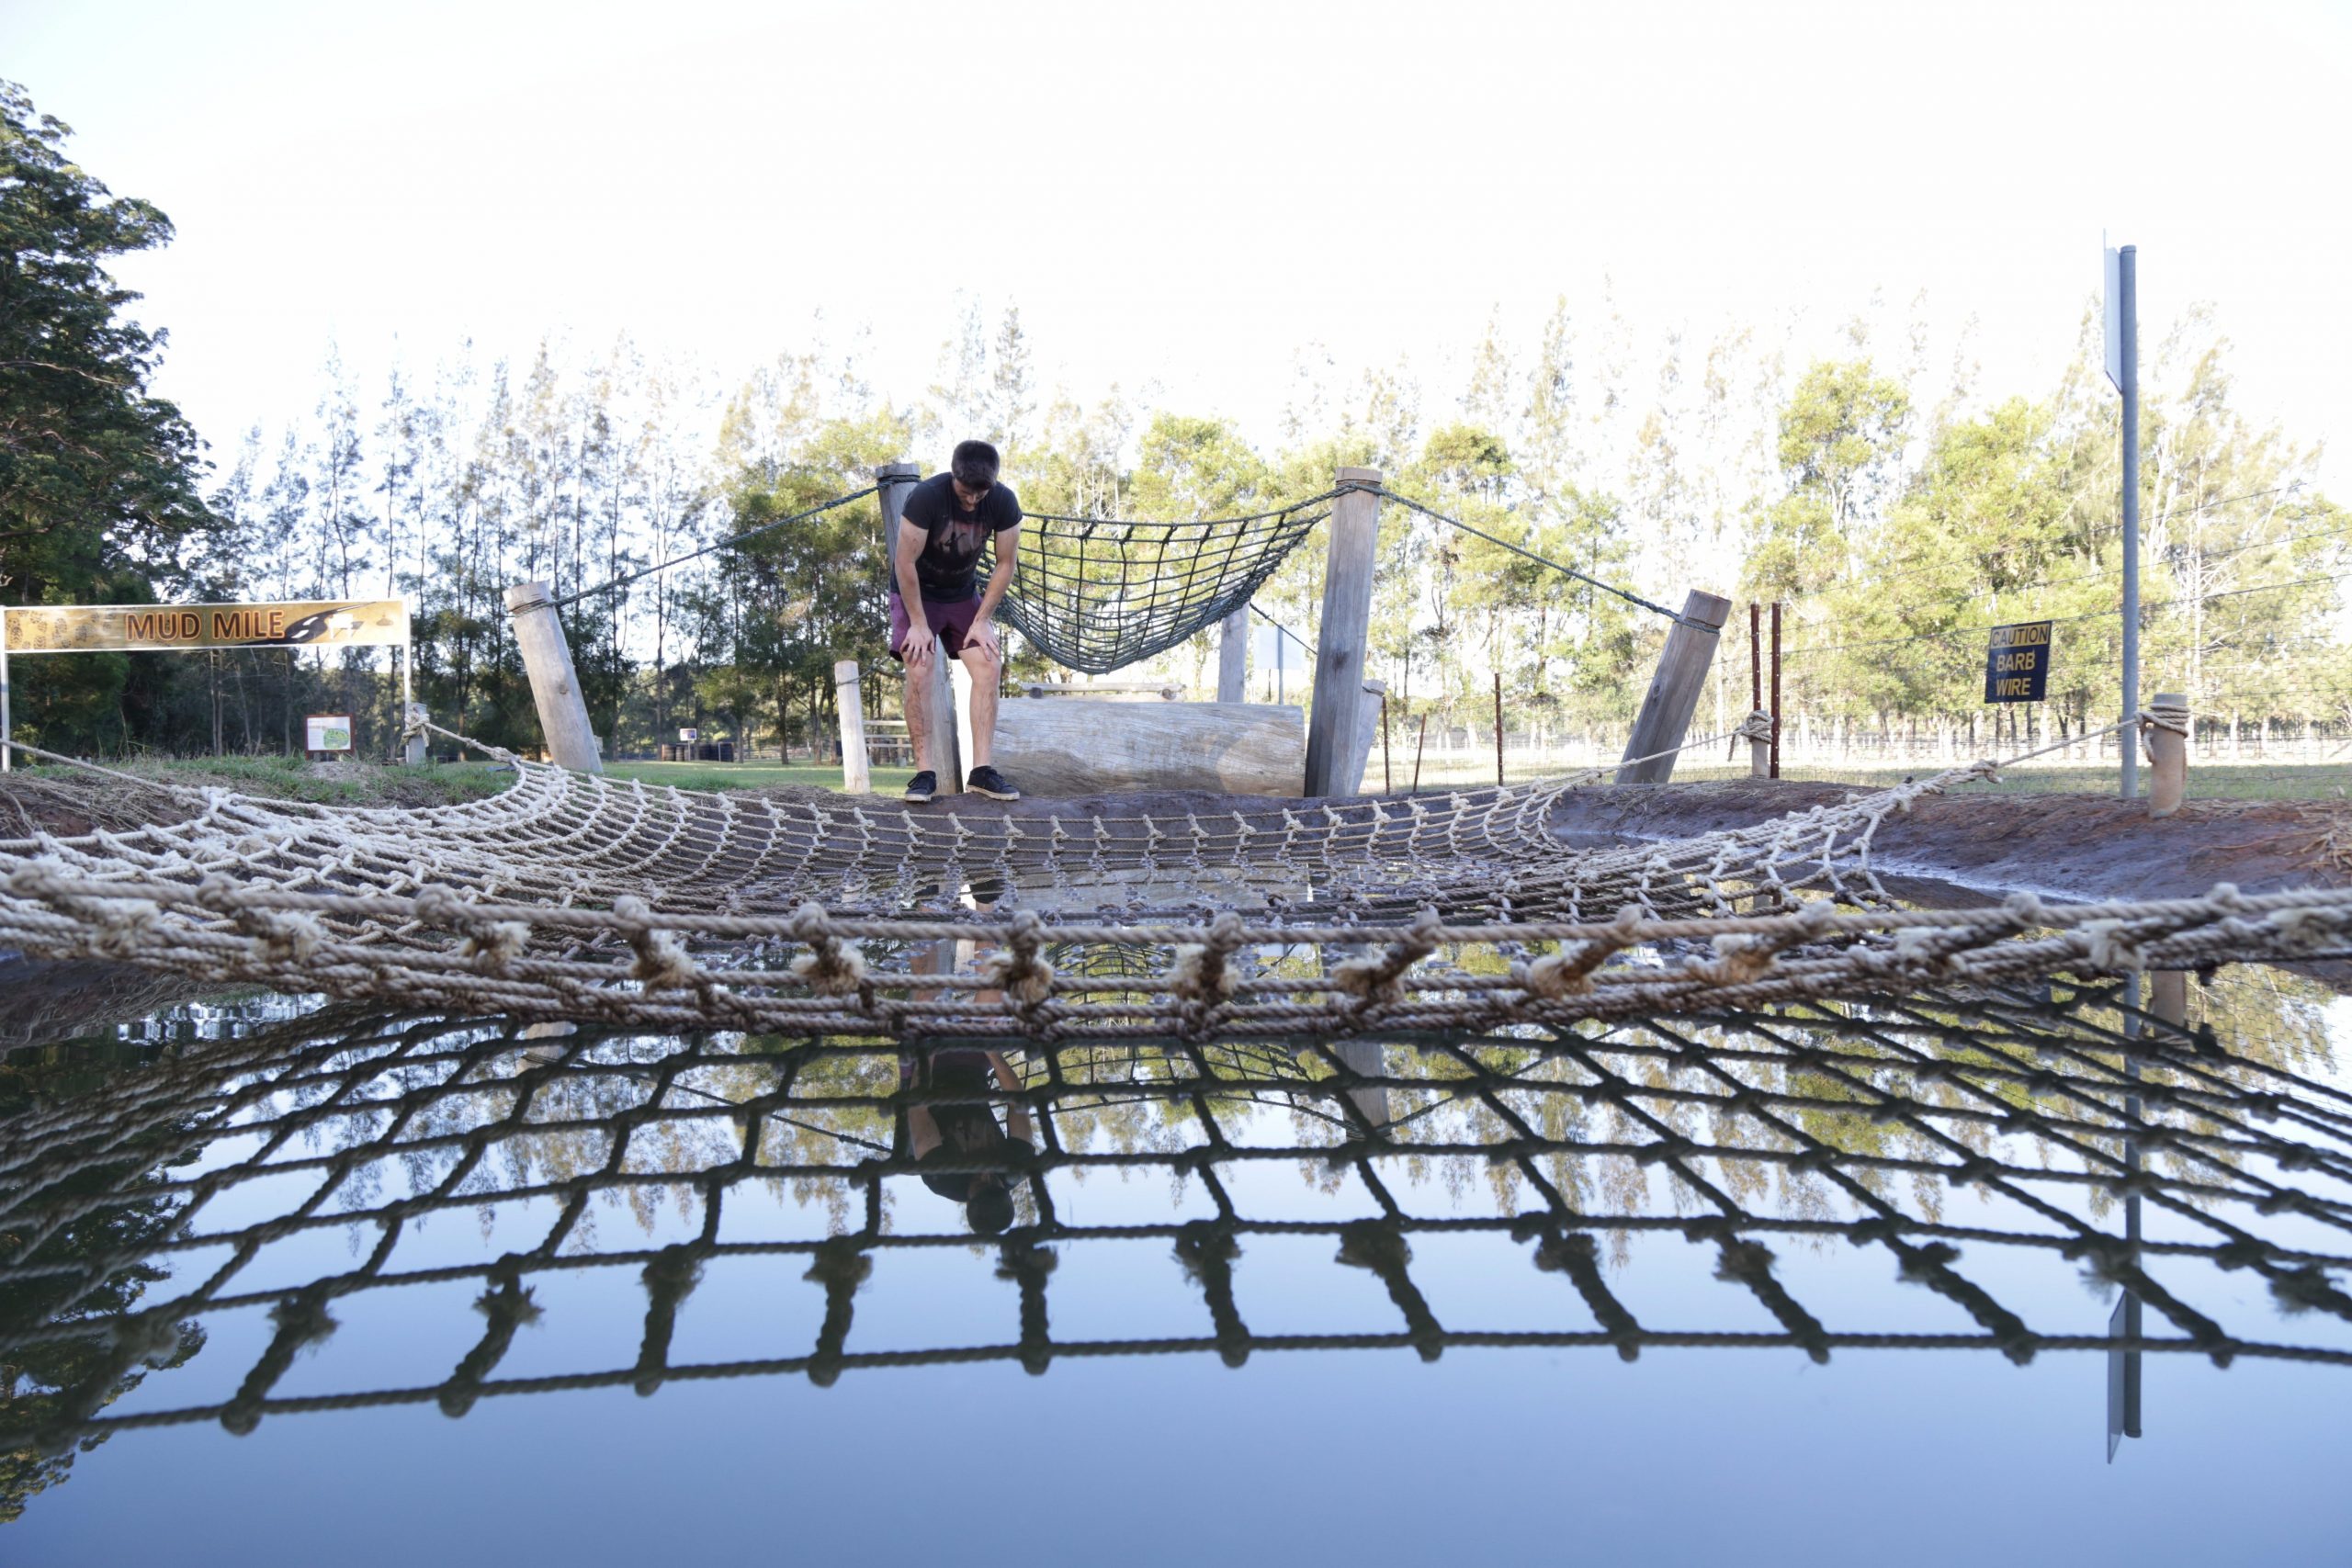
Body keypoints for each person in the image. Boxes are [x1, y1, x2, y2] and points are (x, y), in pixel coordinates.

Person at [892, 439, 1022, 803]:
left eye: (980, 495)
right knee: (920, 667)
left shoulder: (1003, 502)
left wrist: (982, 620)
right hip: (916, 592)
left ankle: (981, 772)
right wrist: (918, 623)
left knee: (988, 665)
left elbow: (1005, 564)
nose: (971, 501)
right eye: (966, 493)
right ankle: (924, 775)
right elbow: (904, 563)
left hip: (962, 594)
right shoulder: (926, 497)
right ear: (954, 476)